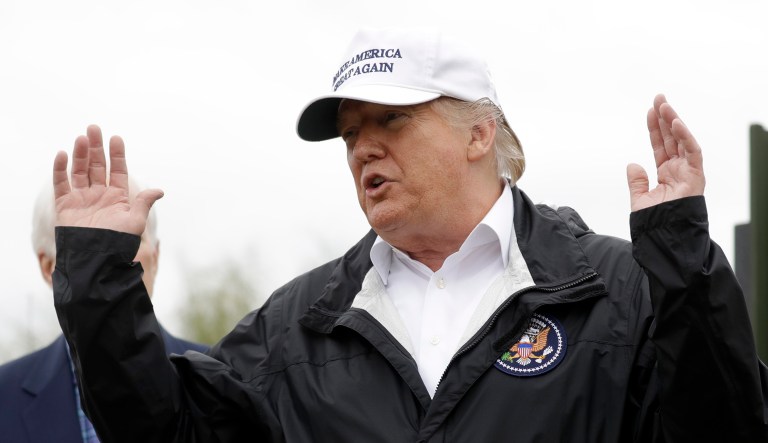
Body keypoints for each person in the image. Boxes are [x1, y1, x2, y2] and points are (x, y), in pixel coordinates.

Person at [49, 27, 768, 442]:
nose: (363, 147)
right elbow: (165, 433)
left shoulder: (621, 292)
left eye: (391, 120)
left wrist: (681, 259)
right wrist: (100, 284)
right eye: (351, 132)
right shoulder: (296, 327)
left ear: (479, 132)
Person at [0, 180, 207, 443]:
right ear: (48, 266)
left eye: (131, 236)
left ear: (155, 257)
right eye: (87, 241)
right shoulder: (4, 397)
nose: (111, 258)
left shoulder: (225, 380)